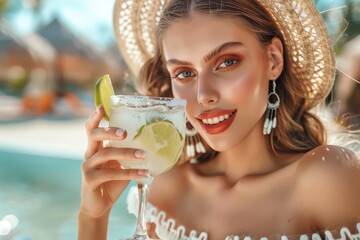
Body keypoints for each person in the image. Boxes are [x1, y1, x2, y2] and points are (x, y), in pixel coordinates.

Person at [78, 0, 360, 239]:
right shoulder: (166, 190)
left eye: (227, 62)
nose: (203, 95)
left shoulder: (329, 179)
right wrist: (94, 216)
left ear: (273, 59)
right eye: (184, 73)